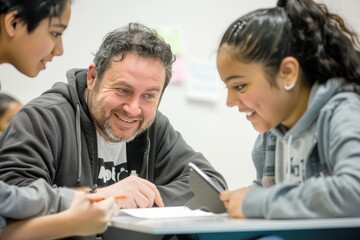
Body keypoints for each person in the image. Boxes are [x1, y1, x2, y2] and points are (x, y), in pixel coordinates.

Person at [0, 21, 227, 214]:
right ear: (92, 77)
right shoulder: (43, 119)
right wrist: (101, 197)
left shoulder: (154, 126)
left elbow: (212, 188)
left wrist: (142, 199)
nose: (133, 109)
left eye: (149, 95)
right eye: (123, 90)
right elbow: (10, 197)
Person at [217, 0, 360, 219]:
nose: (229, 101)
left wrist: (260, 202)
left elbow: (354, 191)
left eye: (239, 86)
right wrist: (245, 199)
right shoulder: (270, 136)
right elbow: (269, 195)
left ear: (287, 73)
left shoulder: (344, 113)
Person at [0, 1, 120, 239]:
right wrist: (70, 216)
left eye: (149, 94)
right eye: (55, 32)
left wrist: (74, 200)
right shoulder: (42, 116)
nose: (60, 49)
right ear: (13, 22)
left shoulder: (160, 126)